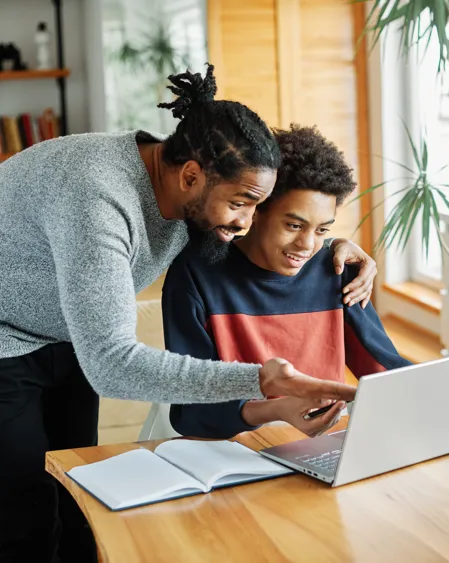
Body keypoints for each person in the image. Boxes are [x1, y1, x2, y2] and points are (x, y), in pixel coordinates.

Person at [0, 67, 376, 563]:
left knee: (77, 495)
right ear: (191, 175)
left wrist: (333, 246)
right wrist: (262, 380)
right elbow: (112, 364)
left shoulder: (195, 186)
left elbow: (267, 230)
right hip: (6, 336)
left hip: (70, 335)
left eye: (255, 207)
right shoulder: (97, 197)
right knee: (21, 513)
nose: (244, 222)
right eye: (241, 205)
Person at [163, 124, 449, 440]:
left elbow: (383, 368)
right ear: (257, 208)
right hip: (232, 452)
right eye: (294, 226)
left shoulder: (338, 270)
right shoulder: (196, 276)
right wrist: (277, 409)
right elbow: (192, 412)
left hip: (320, 451)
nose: (308, 245)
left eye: (323, 230)